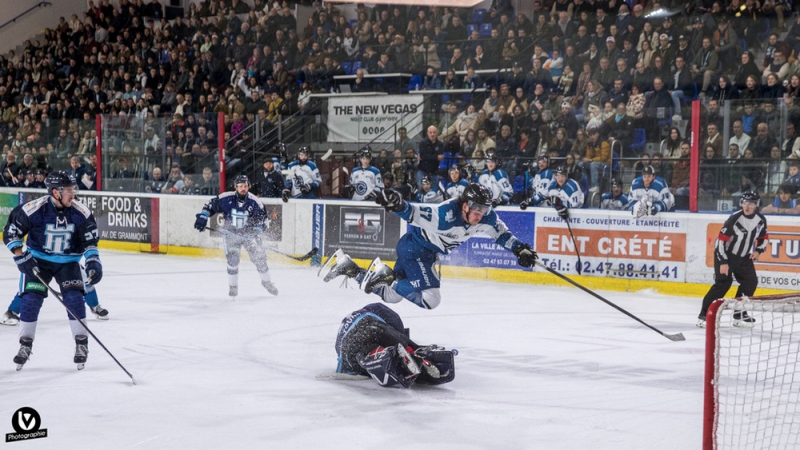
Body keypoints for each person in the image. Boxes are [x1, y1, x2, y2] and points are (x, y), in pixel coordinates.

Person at [319, 184, 537, 310]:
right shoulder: (445, 216)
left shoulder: (486, 218)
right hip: (417, 251)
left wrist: (520, 250)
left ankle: (351, 268)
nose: (480, 215)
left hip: (417, 249)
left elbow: (501, 234)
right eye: (476, 210)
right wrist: (398, 204)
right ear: (465, 205)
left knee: (392, 296)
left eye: (484, 210)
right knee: (430, 300)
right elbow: (414, 213)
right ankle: (386, 276)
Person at [2, 171, 103, 370]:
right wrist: (20, 255)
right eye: (68, 190)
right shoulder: (33, 209)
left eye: (73, 189)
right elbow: (12, 231)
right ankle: (25, 344)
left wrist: (93, 261)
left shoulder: (80, 211)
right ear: (55, 192)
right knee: (31, 299)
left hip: (69, 263)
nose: (72, 194)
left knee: (74, 299)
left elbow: (90, 241)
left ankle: (81, 343)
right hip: (38, 261)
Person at [194, 175, 278, 298]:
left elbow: (264, 221)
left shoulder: (256, 202)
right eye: (240, 186)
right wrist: (203, 217)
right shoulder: (227, 198)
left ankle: (267, 282)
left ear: (248, 186)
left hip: (248, 236)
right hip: (230, 235)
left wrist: (256, 230)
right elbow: (209, 205)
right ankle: (233, 286)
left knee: (259, 259)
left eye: (245, 186)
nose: (243, 189)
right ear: (235, 187)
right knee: (233, 261)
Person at [333, 303, 456, 388]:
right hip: (369, 329)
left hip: (348, 359)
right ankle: (413, 354)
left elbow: (340, 349)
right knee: (404, 344)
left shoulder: (354, 319)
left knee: (366, 352)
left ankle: (380, 354)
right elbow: (394, 333)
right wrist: (410, 345)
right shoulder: (378, 312)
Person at [697, 191, 767, 328]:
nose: (747, 207)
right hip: (726, 256)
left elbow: (763, 237)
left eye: (751, 204)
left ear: (756, 205)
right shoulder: (734, 219)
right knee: (723, 284)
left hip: (743, 257)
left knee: (750, 281)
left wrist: (758, 250)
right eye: (745, 203)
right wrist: (723, 261)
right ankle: (704, 315)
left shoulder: (761, 220)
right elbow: (721, 242)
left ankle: (739, 314)